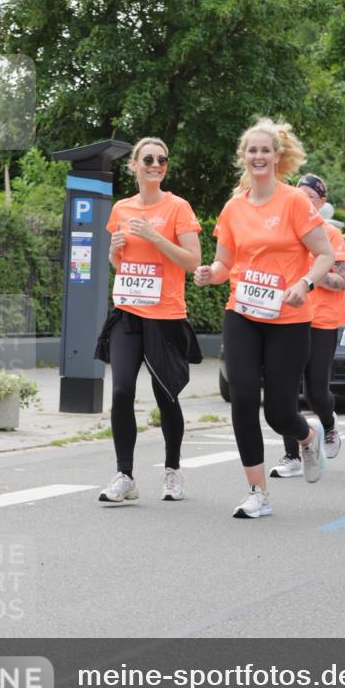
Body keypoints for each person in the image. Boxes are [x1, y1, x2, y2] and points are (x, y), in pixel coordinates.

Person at [194, 118, 335, 519]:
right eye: (252, 150)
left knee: (278, 411)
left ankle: (308, 436)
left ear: (277, 157)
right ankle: (258, 492)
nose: (258, 156)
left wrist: (304, 284)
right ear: (244, 157)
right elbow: (225, 263)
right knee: (241, 396)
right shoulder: (234, 207)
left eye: (265, 150)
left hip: (288, 318)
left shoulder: (294, 202)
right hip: (242, 312)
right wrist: (210, 274)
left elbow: (324, 254)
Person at [95, 138, 202, 504]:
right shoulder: (122, 209)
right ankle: (125, 475)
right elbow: (119, 263)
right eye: (149, 159)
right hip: (128, 313)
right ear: (134, 165)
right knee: (122, 390)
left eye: (162, 160)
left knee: (166, 395)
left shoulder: (178, 207)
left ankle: (172, 470)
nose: (156, 165)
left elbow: (192, 261)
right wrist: (114, 252)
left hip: (166, 316)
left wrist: (156, 236)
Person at [270, 173, 345, 478]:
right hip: (289, 318)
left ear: (322, 203)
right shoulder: (284, 232)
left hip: (322, 321)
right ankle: (292, 455)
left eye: (310, 198)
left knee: (316, 391)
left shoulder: (330, 235)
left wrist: (313, 275)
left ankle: (328, 425)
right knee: (286, 390)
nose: (303, 202)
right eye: (298, 196)